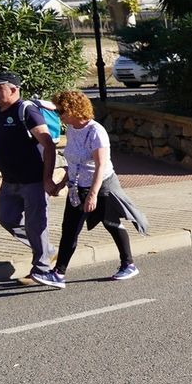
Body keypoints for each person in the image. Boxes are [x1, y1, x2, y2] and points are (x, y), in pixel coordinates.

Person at [44, 90, 148, 285]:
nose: (58, 115)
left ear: (74, 110)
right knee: (70, 229)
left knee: (111, 223)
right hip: (77, 187)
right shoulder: (72, 129)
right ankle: (58, 273)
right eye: (57, 111)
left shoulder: (96, 131)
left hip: (102, 186)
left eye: (61, 111)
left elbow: (101, 165)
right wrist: (60, 185)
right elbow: (74, 163)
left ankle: (129, 264)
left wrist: (92, 195)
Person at [0, 71, 59, 287]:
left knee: (36, 226)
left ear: (14, 90)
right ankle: (48, 251)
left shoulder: (27, 110)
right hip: (10, 181)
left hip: (33, 181)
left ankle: (41, 269)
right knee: (6, 218)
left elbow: (48, 146)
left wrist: (47, 179)